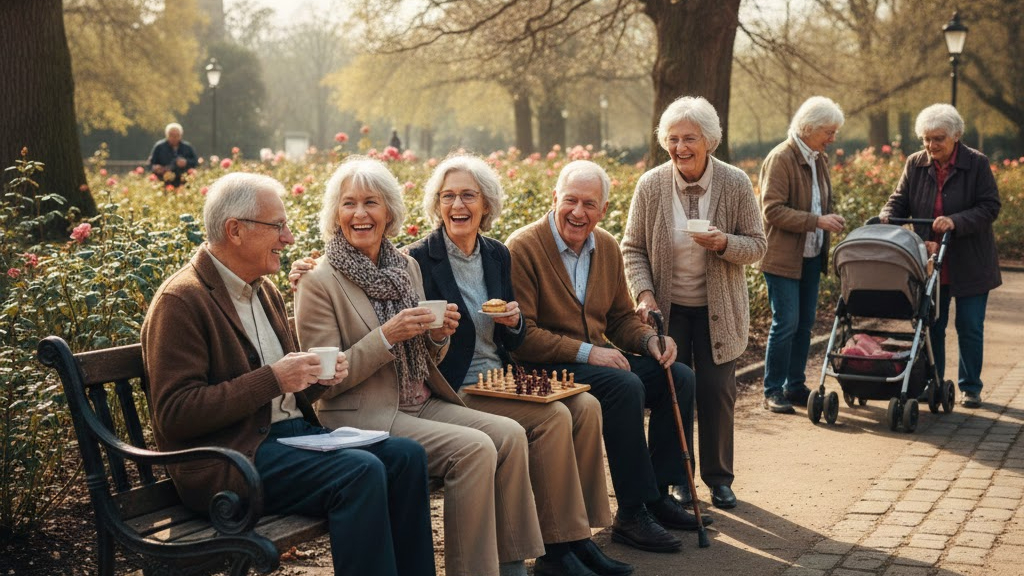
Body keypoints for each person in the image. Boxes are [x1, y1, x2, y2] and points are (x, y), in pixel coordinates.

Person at [140, 172, 434, 576]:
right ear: (235, 230)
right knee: (360, 473)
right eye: (278, 226)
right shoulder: (181, 300)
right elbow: (176, 414)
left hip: (288, 440)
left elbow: (285, 391)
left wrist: (315, 378)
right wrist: (274, 379)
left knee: (406, 456)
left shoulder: (264, 290)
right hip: (230, 459)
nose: (289, 238)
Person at [293, 156, 544, 576]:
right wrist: (386, 336)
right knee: (475, 449)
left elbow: (427, 358)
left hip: (420, 400)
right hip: (362, 413)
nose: (360, 214)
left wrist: (438, 335)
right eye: (349, 204)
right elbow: (324, 383)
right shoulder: (319, 281)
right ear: (335, 215)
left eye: (371, 203)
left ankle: (512, 564)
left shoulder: (403, 266)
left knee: (509, 434)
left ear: (389, 211)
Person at [406, 154, 631, 576]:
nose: (458, 205)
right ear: (437, 205)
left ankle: (576, 539)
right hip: (456, 387)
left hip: (500, 377)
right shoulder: (418, 259)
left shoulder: (495, 255)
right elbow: (416, 342)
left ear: (485, 205)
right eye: (448, 196)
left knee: (586, 408)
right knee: (552, 419)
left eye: (468, 196)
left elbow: (514, 334)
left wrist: (514, 321)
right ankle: (557, 550)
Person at [507, 160, 706, 555]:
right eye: (570, 201)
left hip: (594, 359)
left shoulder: (608, 247)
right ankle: (630, 513)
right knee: (624, 385)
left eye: (589, 204)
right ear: (554, 199)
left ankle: (658, 497)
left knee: (679, 376)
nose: (578, 212)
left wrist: (650, 341)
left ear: (604, 209)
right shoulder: (523, 247)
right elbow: (522, 336)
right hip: (544, 367)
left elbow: (617, 319)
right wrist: (588, 352)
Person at [621, 96, 766, 510]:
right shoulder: (650, 185)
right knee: (672, 389)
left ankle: (719, 478)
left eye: (690, 138)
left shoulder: (735, 182)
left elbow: (757, 245)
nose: (681, 147)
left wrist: (724, 243)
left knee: (717, 390)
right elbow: (632, 248)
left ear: (710, 141)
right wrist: (644, 294)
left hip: (719, 309)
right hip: (668, 307)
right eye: (673, 138)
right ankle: (676, 479)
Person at [880, 103, 1001, 409]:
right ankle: (934, 384)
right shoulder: (915, 163)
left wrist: (956, 221)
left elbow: (990, 207)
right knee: (932, 324)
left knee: (970, 325)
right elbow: (899, 200)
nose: (931, 146)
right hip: (931, 261)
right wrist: (887, 216)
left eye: (938, 139)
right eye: (926, 139)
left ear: (956, 137)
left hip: (971, 261)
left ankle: (970, 387)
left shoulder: (977, 163)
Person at [757, 96, 846, 414]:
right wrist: (817, 221)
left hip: (811, 254)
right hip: (782, 256)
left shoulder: (818, 157)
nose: (833, 138)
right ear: (809, 128)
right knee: (786, 323)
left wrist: (829, 218)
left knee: (805, 323)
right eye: (828, 131)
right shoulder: (781, 158)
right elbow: (771, 211)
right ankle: (772, 389)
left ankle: (794, 385)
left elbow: (820, 201)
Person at [148, 122, 199, 187]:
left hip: (184, 184)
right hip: (163, 183)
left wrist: (186, 162)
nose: (174, 137)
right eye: (171, 135)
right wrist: (156, 168)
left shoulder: (188, 147)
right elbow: (151, 164)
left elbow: (195, 162)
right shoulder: (159, 147)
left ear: (181, 135)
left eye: (177, 135)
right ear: (167, 135)